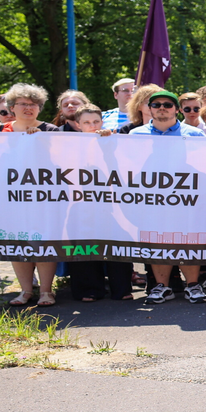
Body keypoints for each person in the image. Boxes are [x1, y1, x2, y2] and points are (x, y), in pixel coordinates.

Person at [129, 90, 206, 304]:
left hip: (186, 197)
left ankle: (192, 285)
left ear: (176, 109)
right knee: (157, 240)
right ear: (149, 109)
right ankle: (162, 287)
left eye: (167, 104)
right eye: (156, 105)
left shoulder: (194, 134)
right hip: (152, 198)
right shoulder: (136, 135)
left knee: (188, 240)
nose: (162, 108)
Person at [0, 83, 60, 303]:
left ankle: (46, 290)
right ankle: (26, 290)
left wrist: (40, 142)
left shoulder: (50, 130)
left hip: (43, 197)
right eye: (23, 104)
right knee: (16, 241)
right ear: (12, 107)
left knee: (44, 242)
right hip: (9, 198)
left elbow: (62, 161)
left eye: (34, 104)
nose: (29, 108)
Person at [66, 107, 132, 301]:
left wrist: (107, 143)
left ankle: (122, 288)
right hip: (78, 203)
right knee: (83, 245)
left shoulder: (113, 141)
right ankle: (90, 290)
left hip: (111, 202)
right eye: (87, 122)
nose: (92, 126)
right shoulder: (68, 143)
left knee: (117, 242)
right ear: (77, 125)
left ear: (102, 122)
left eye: (96, 121)